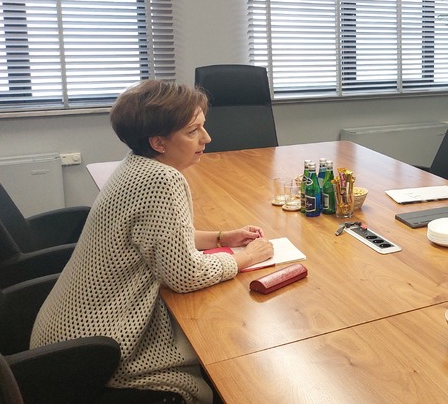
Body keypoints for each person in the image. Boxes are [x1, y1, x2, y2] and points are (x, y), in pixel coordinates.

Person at [31, 79, 274, 403]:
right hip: (98, 353)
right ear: (159, 142)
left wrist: (221, 237)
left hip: (62, 339)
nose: (207, 138)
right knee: (226, 364)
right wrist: (246, 257)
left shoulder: (136, 165)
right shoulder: (161, 179)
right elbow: (186, 276)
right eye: (193, 131)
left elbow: (159, 238)